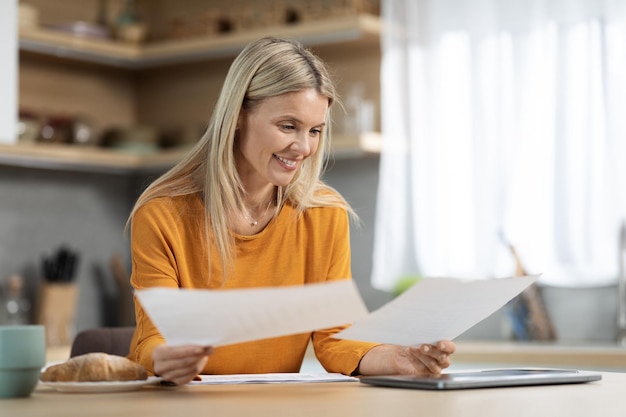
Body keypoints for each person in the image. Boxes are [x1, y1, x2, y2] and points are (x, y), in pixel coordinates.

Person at [126, 36, 455, 385]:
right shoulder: (162, 214)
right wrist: (167, 359)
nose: (303, 147)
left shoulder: (323, 215)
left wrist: (398, 357)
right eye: (288, 126)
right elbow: (152, 338)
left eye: (315, 131)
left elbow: (336, 339)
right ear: (238, 116)